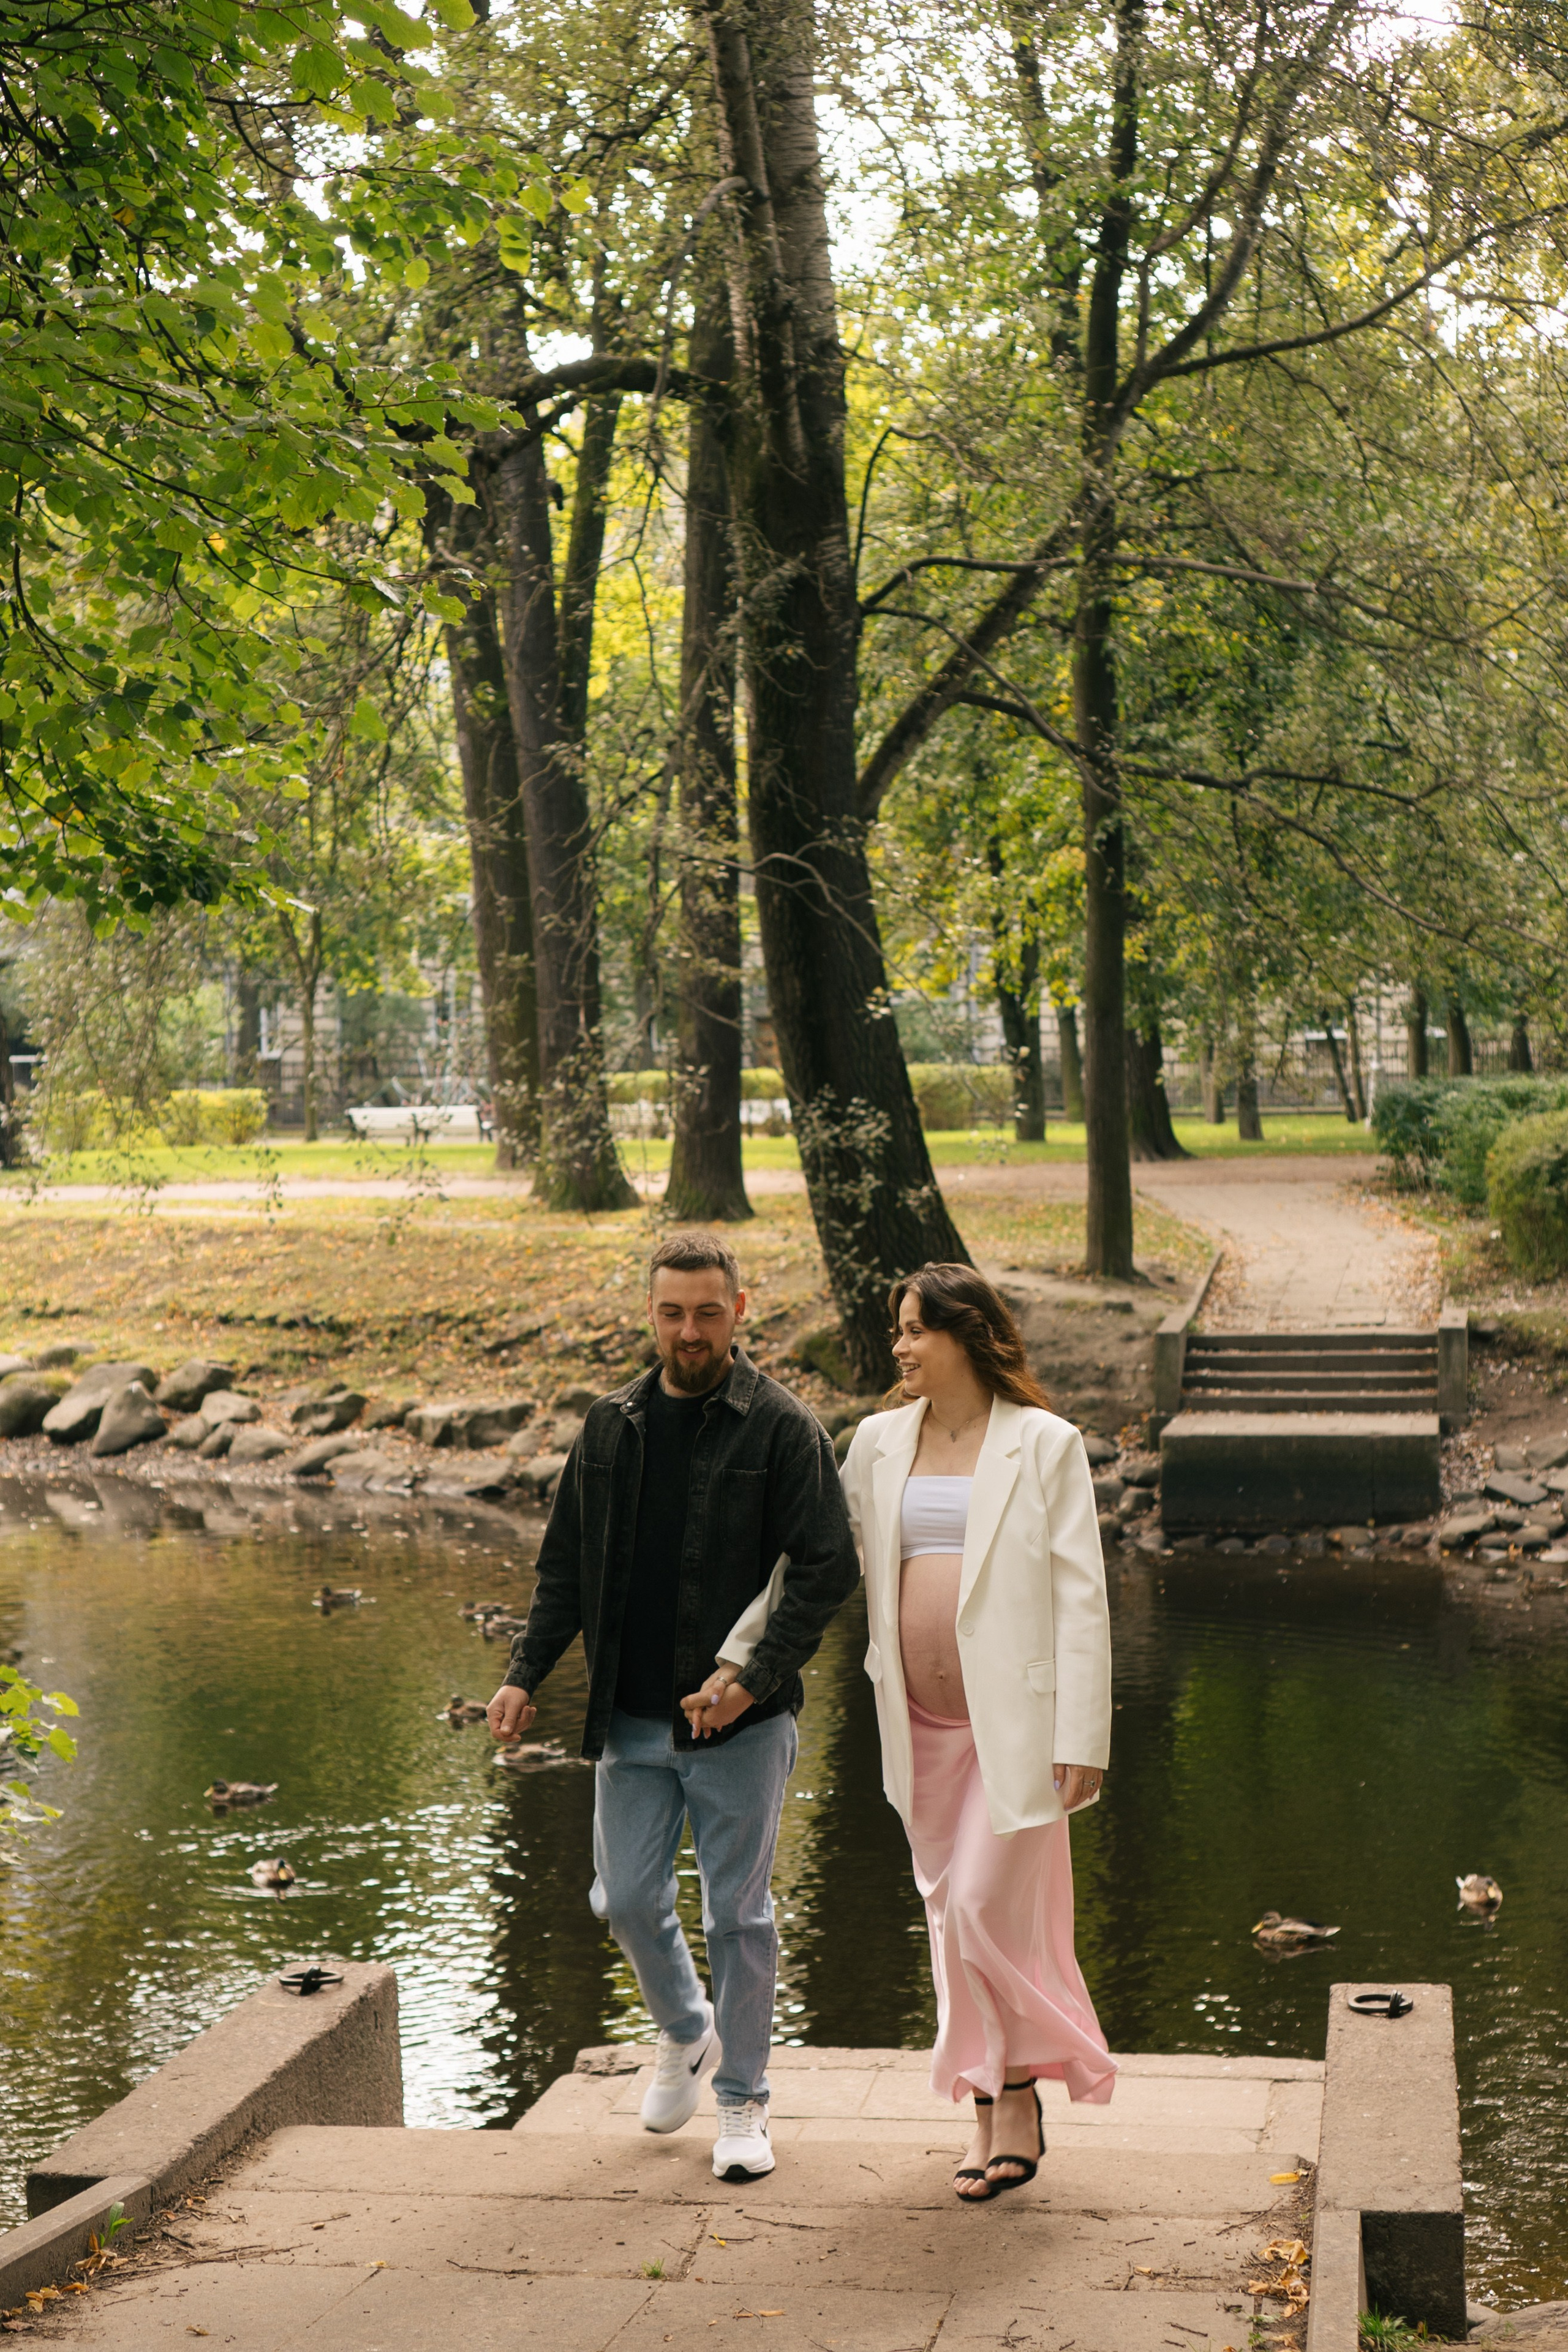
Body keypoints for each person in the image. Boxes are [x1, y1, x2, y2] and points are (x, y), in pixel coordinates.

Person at [488, 1231, 859, 2183]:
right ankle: (688, 2032)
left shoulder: (784, 1429)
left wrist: (752, 1679)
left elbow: (827, 1571)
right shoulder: (610, 1425)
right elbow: (565, 1562)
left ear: (740, 1311)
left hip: (741, 1723)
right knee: (626, 1897)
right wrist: (525, 1672)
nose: (688, 1330)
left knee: (737, 1916)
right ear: (650, 1315)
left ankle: (742, 2102)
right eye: (671, 1312)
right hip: (631, 1715)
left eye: (706, 1311)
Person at [838, 1263, 1115, 2202]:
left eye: (918, 1330)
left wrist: (1083, 1732)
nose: (902, 1348)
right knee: (948, 1920)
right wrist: (740, 1655)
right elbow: (821, 1563)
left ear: (967, 1333)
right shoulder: (876, 1442)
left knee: (979, 1910)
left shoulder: (1045, 1444)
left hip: (1018, 1730)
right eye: (899, 1333)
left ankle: (1018, 2086)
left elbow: (1083, 1598)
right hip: (915, 1727)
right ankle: (995, 2106)